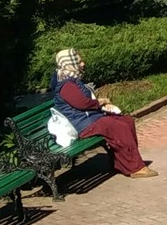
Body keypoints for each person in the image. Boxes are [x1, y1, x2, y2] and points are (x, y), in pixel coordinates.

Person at [50, 48, 157, 177]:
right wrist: (101, 102)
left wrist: (102, 106)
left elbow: (84, 103)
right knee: (119, 128)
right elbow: (82, 104)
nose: (82, 64)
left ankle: (122, 163)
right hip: (82, 124)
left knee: (127, 121)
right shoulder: (66, 85)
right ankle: (135, 168)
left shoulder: (72, 79)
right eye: (78, 62)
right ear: (69, 64)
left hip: (90, 118)